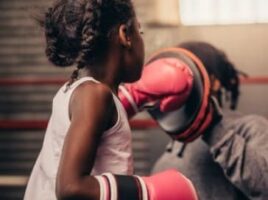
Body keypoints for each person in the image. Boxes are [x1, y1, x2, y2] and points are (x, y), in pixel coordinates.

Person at [24, 1, 199, 200]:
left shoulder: (78, 91)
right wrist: (147, 190)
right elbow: (70, 187)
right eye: (139, 33)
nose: (143, 43)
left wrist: (133, 99)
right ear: (125, 35)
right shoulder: (95, 95)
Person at [130, 41, 268, 200]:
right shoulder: (176, 142)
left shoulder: (248, 126)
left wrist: (214, 128)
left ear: (214, 82)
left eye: (188, 73)